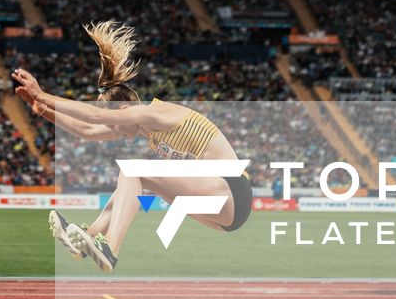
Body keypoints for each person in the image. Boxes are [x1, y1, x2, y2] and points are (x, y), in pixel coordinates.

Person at [13, 19, 252, 273]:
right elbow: (88, 131)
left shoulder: (153, 114)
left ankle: (110, 249)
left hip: (232, 189)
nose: (114, 131)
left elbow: (94, 118)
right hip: (224, 214)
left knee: (132, 171)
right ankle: (88, 238)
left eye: (115, 122)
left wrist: (43, 94)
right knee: (134, 183)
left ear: (124, 110)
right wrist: (44, 111)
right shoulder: (145, 128)